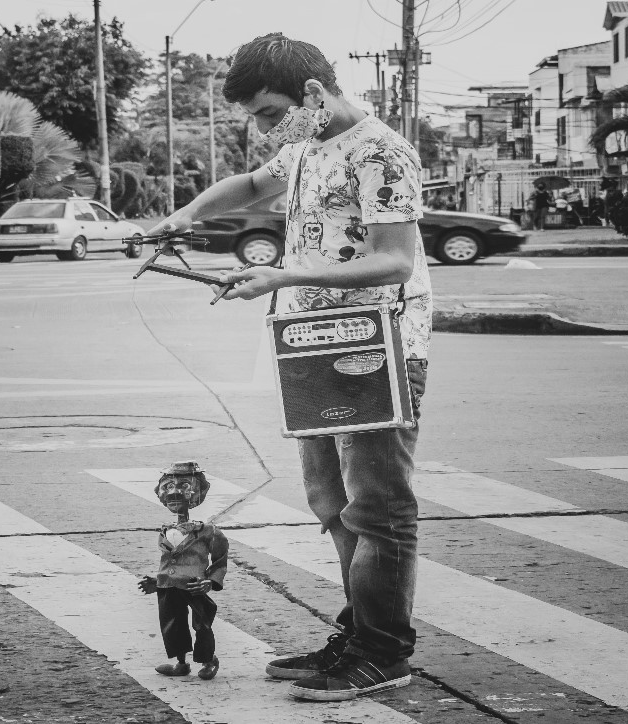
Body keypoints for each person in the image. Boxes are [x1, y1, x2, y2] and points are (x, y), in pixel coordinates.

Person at [149, 32, 430, 702]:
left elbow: (396, 259)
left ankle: (384, 651)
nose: (264, 128)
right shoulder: (304, 145)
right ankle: (358, 631)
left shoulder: (381, 151)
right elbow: (247, 185)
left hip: (377, 349)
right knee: (334, 506)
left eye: (270, 112)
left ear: (311, 93)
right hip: (313, 344)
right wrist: (185, 215)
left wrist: (280, 273)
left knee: (378, 509)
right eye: (254, 116)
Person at [137, 461, 228, 681]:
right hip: (169, 587)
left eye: (184, 485)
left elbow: (220, 560)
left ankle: (209, 660)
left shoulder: (208, 531)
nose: (175, 491)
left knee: (202, 624)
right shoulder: (166, 531)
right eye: (168, 487)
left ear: (197, 492)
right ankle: (180, 662)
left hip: (195, 586)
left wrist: (211, 581)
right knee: (172, 624)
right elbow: (168, 561)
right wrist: (157, 581)